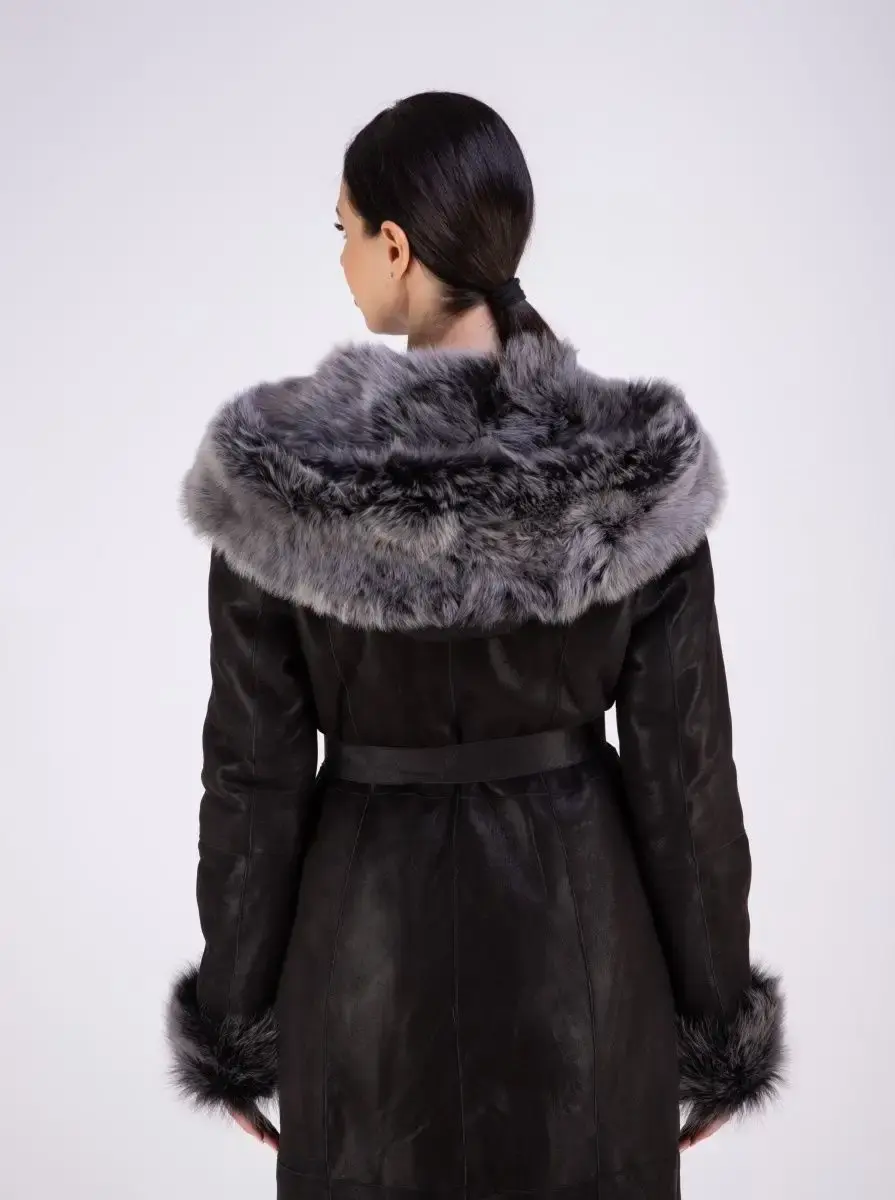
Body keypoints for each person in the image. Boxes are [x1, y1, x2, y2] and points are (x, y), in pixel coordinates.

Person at [165, 91, 786, 1200]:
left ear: (397, 247)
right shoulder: (629, 468)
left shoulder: (283, 477)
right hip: (583, 974)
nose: (342, 257)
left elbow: (253, 786)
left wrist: (234, 1023)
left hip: (362, 982)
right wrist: (716, 1023)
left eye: (345, 229)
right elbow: (685, 776)